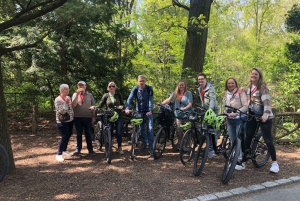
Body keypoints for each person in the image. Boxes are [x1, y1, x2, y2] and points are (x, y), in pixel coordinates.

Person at [243, 68, 279, 173]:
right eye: (252, 73)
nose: (253, 75)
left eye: (256, 74)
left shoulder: (263, 87)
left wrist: (266, 114)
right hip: (253, 116)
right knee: (248, 137)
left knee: (268, 139)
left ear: (259, 76)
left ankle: (275, 163)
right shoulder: (249, 87)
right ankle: (244, 160)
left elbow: (267, 102)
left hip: (263, 116)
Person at [90, 82, 125, 155]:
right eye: (110, 86)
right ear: (108, 88)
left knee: (119, 131)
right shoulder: (106, 95)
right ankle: (108, 147)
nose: (111, 87)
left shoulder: (118, 95)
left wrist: (121, 107)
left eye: (113, 86)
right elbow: (100, 105)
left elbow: (122, 104)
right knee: (109, 131)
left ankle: (119, 147)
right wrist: (95, 107)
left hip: (118, 115)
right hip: (109, 115)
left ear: (115, 87)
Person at [125, 75, 154, 156]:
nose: (141, 82)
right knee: (142, 130)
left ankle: (151, 147)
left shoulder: (149, 88)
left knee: (150, 129)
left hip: (148, 112)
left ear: (145, 81)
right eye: (140, 81)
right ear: (138, 81)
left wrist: (150, 110)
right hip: (139, 112)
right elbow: (130, 98)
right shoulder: (135, 89)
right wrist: (127, 108)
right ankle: (144, 144)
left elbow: (150, 100)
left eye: (143, 81)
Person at [223, 77, 248, 169]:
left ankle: (241, 160)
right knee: (233, 140)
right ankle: (235, 158)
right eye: (229, 83)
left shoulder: (240, 92)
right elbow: (225, 106)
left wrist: (236, 113)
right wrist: (225, 115)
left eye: (232, 83)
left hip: (239, 119)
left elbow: (246, 106)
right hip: (230, 120)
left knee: (239, 140)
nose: (230, 85)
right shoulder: (226, 93)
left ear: (235, 84)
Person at [161, 80, 193, 150]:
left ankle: (186, 145)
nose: (181, 86)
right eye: (180, 85)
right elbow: (169, 100)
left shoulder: (188, 93)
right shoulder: (175, 93)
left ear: (185, 86)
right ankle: (180, 144)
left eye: (182, 85)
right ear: (178, 86)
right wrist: (161, 104)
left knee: (187, 130)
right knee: (179, 130)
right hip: (178, 114)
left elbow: (190, 103)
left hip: (187, 114)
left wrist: (185, 108)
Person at [197, 73, 219, 158]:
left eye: (202, 79)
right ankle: (207, 146)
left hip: (212, 110)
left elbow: (212, 100)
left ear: (205, 79)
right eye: (199, 79)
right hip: (205, 110)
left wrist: (210, 111)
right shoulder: (199, 89)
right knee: (203, 128)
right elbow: (203, 101)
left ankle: (212, 150)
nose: (200, 80)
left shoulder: (210, 88)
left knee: (212, 130)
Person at [71, 81, 96, 156]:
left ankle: (90, 149)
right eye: (79, 85)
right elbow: (74, 105)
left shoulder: (90, 95)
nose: (81, 86)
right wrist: (77, 94)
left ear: (85, 86)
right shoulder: (75, 94)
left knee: (88, 134)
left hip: (88, 117)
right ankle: (78, 149)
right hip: (78, 117)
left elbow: (93, 106)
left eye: (82, 85)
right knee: (79, 134)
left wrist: (93, 116)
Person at [55, 84, 74, 162]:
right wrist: (66, 103)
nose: (68, 90)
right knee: (64, 136)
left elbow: (70, 108)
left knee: (69, 135)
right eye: (66, 89)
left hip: (70, 120)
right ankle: (59, 154)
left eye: (68, 89)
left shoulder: (68, 97)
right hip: (62, 121)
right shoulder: (58, 99)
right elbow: (62, 111)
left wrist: (72, 113)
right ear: (62, 90)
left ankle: (64, 150)